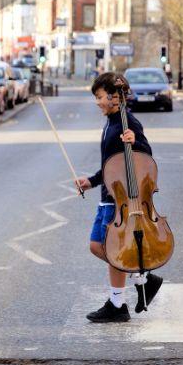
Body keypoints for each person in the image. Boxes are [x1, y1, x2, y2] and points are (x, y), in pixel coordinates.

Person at [75, 72, 163, 323]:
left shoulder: (128, 123)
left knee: (108, 249)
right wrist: (90, 181)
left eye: (100, 97)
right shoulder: (111, 123)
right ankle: (141, 281)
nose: (97, 102)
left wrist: (136, 142)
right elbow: (111, 165)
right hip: (108, 196)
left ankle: (119, 302)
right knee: (99, 246)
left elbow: (146, 156)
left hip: (120, 199)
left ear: (116, 97)